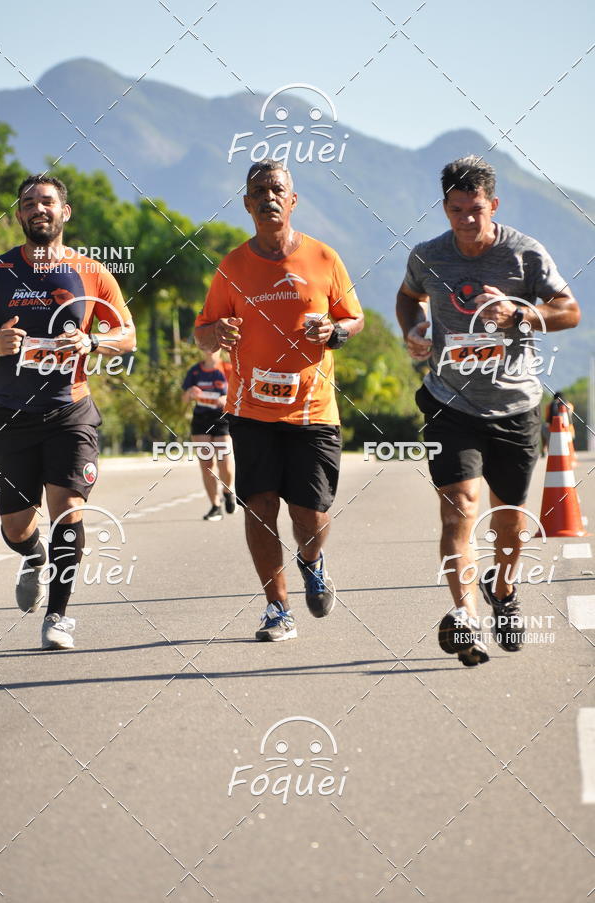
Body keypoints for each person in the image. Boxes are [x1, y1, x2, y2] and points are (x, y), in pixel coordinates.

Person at [396, 155, 580, 666]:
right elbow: (408, 296)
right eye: (456, 210)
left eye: (475, 210)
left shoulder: (525, 255)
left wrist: (522, 312)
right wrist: (413, 330)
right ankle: (466, 619)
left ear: (493, 205)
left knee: (507, 523)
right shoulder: (428, 255)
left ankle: (503, 591)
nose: (466, 221)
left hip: (515, 408)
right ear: (445, 208)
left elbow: (570, 311)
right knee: (458, 507)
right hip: (449, 403)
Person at [195, 159, 364, 641]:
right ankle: (277, 608)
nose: (269, 197)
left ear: (292, 200)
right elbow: (203, 335)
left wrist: (336, 332)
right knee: (259, 506)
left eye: (278, 189)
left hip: (313, 411)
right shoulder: (232, 266)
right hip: (251, 410)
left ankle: (312, 561)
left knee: (310, 517)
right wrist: (216, 332)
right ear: (247, 204)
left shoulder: (325, 259)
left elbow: (354, 319)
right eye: (259, 191)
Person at [0, 175, 135, 650]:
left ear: (64, 213)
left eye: (48, 202)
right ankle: (33, 556)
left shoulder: (92, 272)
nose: (39, 209)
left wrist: (93, 340)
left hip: (69, 411)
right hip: (9, 416)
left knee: (69, 511)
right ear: (18, 214)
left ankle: (58, 616)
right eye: (29, 202)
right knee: (15, 525)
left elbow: (127, 335)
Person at [182, 349, 236, 520]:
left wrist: (226, 399)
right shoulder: (195, 371)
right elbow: (184, 398)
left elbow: (240, 394)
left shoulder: (228, 368)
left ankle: (228, 491)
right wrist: (190, 394)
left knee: (225, 463)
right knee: (206, 465)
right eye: (207, 347)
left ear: (220, 349)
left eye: (215, 347)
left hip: (222, 419)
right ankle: (215, 505)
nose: (210, 351)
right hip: (201, 419)